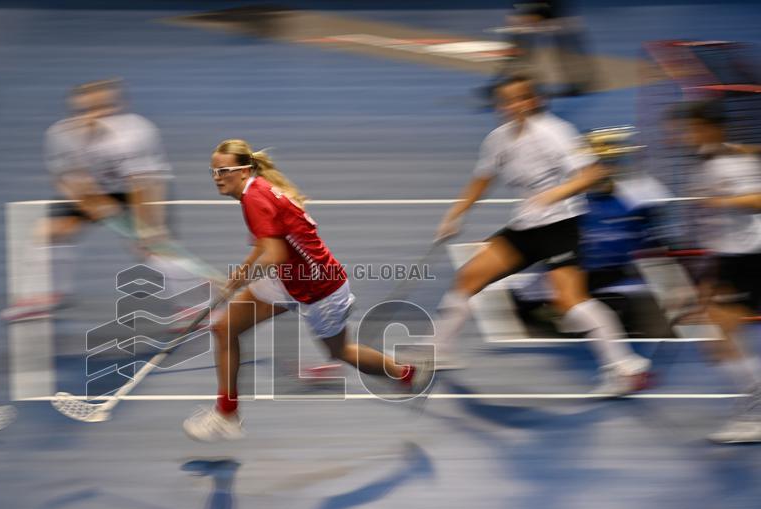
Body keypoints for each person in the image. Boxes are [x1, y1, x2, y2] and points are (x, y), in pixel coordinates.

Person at [182, 140, 431, 442]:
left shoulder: (254, 200)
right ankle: (227, 414)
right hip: (288, 280)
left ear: (244, 170)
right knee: (224, 329)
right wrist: (242, 272)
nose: (217, 177)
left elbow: (274, 255)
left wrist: (245, 277)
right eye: (214, 171)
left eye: (224, 170)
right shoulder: (256, 190)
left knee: (339, 351)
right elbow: (267, 244)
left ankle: (404, 374)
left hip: (319, 290)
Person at [431, 75, 650, 394]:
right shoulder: (497, 139)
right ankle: (440, 348)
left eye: (519, 98)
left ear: (532, 100)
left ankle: (625, 368)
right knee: (467, 279)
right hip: (526, 225)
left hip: (560, 225)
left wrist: (554, 195)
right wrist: (456, 214)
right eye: (505, 100)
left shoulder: (555, 133)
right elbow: (483, 178)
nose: (512, 105)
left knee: (569, 303)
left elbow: (593, 173)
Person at [2, 78, 220, 322]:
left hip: (139, 189)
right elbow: (65, 178)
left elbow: (145, 183)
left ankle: (198, 306)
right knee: (51, 232)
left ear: (117, 107)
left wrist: (148, 228)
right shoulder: (61, 134)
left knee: (152, 249)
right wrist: (91, 203)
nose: (94, 115)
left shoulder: (133, 134)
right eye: (85, 110)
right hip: (90, 189)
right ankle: (46, 296)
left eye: (102, 107)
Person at [672, 100, 761, 443]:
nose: (685, 135)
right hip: (731, 258)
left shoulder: (732, 163)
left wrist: (719, 201)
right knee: (718, 340)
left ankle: (754, 414)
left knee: (721, 338)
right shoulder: (713, 160)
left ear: (707, 128)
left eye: (691, 128)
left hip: (749, 257)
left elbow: (757, 201)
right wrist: (707, 278)